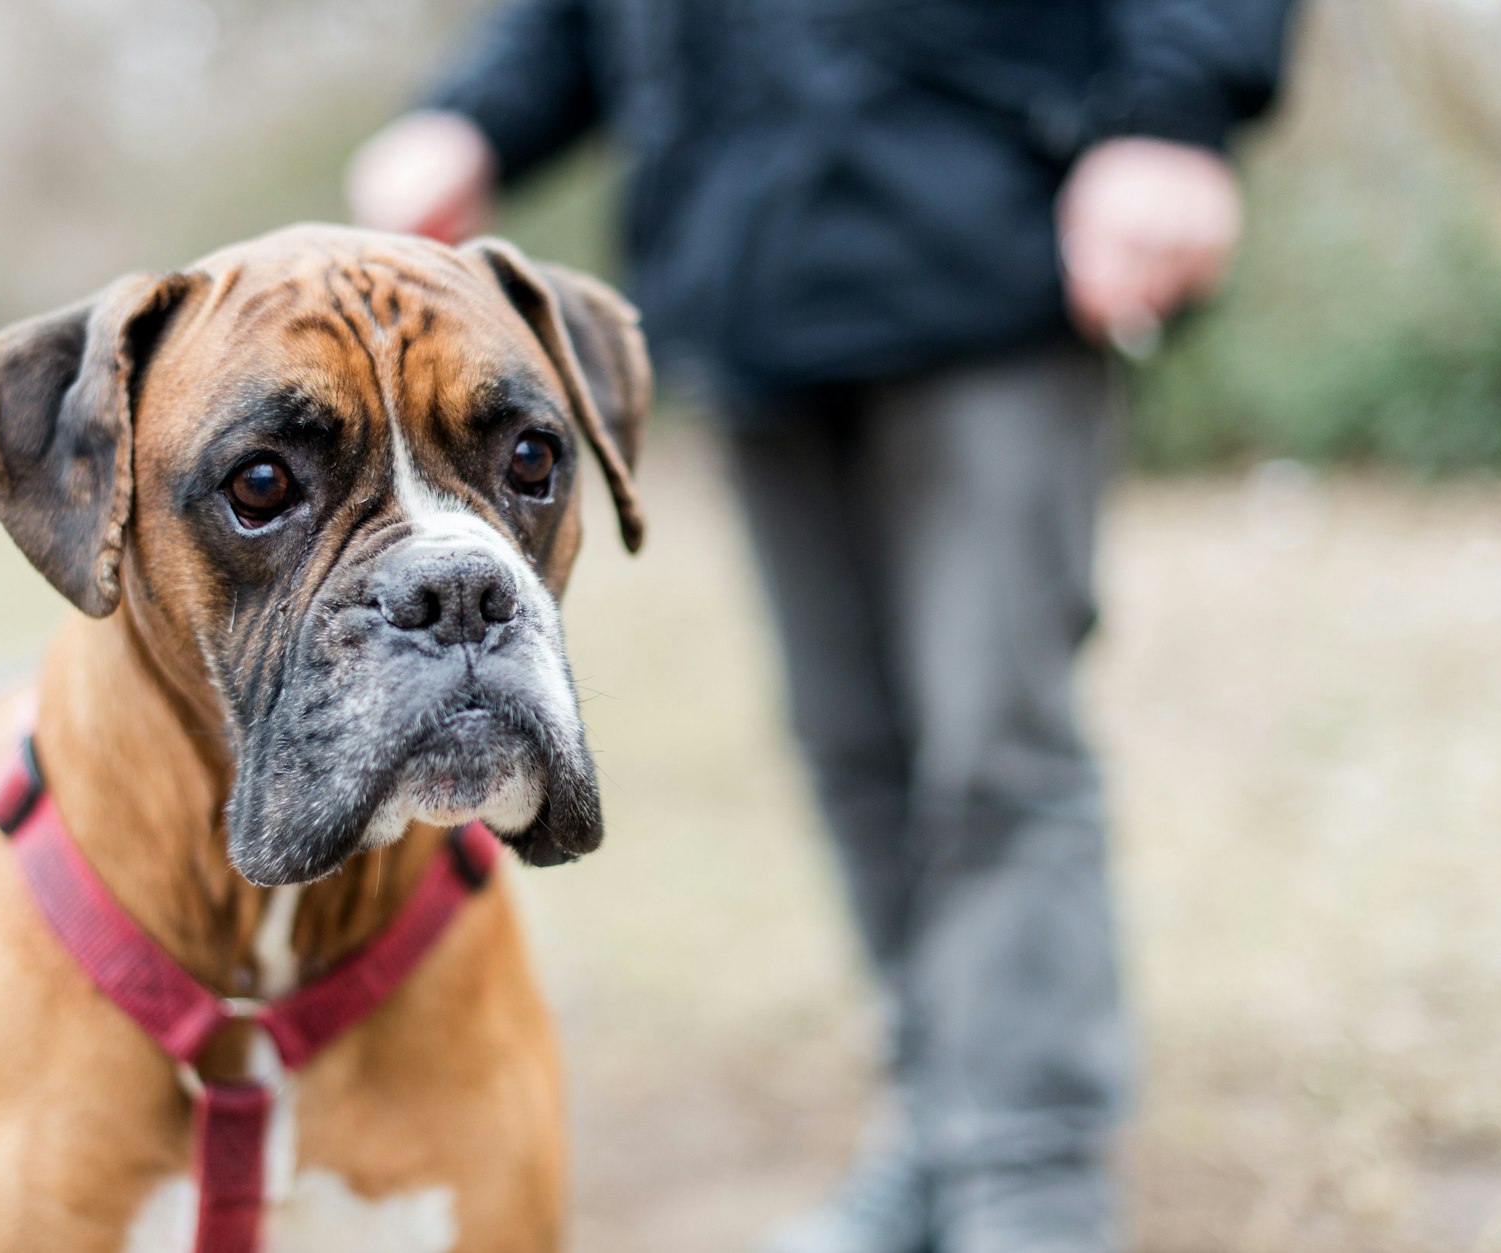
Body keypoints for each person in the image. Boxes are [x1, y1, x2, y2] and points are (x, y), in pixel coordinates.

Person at [347, 4, 1296, 1250]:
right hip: (745, 280)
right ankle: (938, 1131)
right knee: (848, 746)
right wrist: (469, 113)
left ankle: (1028, 1175)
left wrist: (1175, 108)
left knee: (994, 748)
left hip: (990, 237)